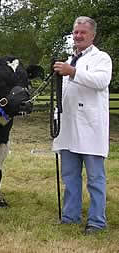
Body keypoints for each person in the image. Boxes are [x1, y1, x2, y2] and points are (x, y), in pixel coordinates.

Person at [52, 16, 112, 235]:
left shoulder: (101, 58)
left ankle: (96, 221)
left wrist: (73, 72)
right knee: (70, 176)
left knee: (95, 178)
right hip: (68, 128)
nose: (77, 36)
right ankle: (70, 216)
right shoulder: (70, 59)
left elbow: (100, 81)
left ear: (92, 35)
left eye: (82, 33)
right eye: (75, 32)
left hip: (90, 128)